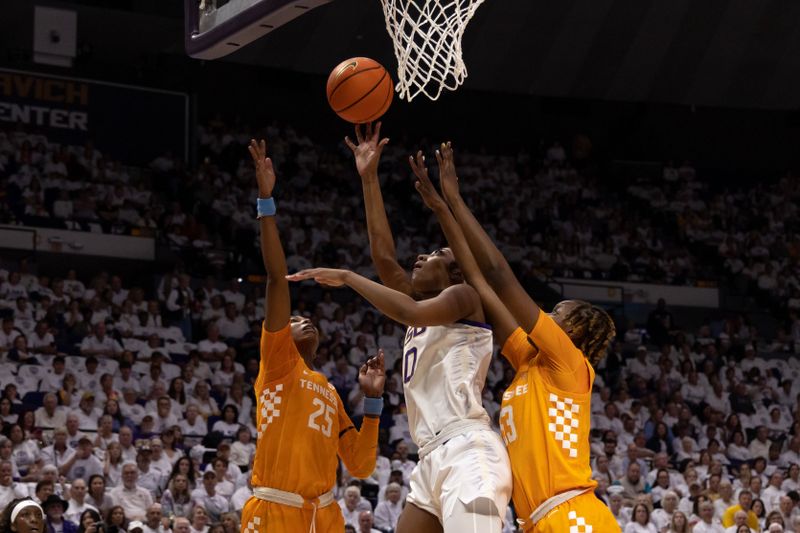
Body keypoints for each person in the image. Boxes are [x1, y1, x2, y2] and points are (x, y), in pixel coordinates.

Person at [289, 125, 512, 532]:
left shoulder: (464, 297)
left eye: (435, 254)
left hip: (467, 449)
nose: (422, 256)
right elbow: (384, 256)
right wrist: (369, 178)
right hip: (430, 457)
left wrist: (348, 277)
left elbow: (408, 312)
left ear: (454, 269)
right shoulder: (426, 302)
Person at [406, 142, 619, 533]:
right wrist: (442, 209)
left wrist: (458, 199)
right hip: (536, 521)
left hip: (575, 515)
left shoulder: (569, 362)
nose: (546, 316)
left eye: (556, 314)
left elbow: (501, 277)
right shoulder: (529, 363)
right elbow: (481, 284)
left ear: (572, 332)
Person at [238, 138, 385, 533]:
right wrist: (266, 202)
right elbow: (275, 278)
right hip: (275, 509)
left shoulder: (330, 391)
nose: (304, 320)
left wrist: (373, 403)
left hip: (325, 514)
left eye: (308, 318)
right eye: (296, 317)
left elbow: (361, 464)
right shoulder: (278, 364)